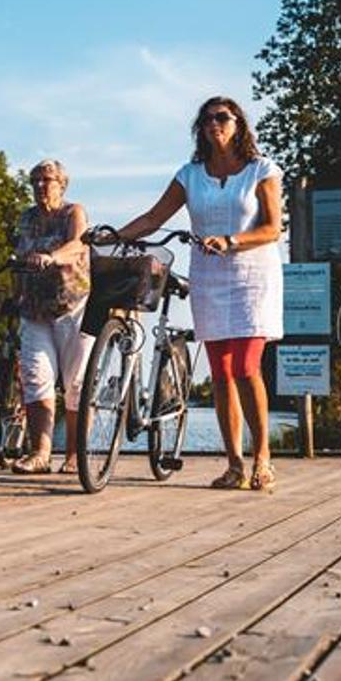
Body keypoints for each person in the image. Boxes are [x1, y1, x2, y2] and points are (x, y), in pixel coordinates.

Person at [109, 97, 283, 491]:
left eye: (222, 117)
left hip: (253, 277)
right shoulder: (190, 175)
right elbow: (153, 218)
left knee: (246, 367)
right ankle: (235, 465)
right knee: (220, 373)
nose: (213, 124)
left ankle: (263, 457)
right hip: (210, 277)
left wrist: (231, 239)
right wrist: (114, 236)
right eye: (206, 119)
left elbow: (273, 228)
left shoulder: (261, 170)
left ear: (238, 124)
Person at [10, 159, 93, 475]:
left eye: (46, 180)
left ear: (62, 184)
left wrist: (52, 257)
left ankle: (73, 455)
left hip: (73, 306)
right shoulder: (27, 218)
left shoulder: (73, 212)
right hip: (35, 308)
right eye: (35, 181)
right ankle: (40, 454)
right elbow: (21, 254)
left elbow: (77, 245)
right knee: (35, 377)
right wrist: (15, 292)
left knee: (76, 383)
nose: (40, 186)